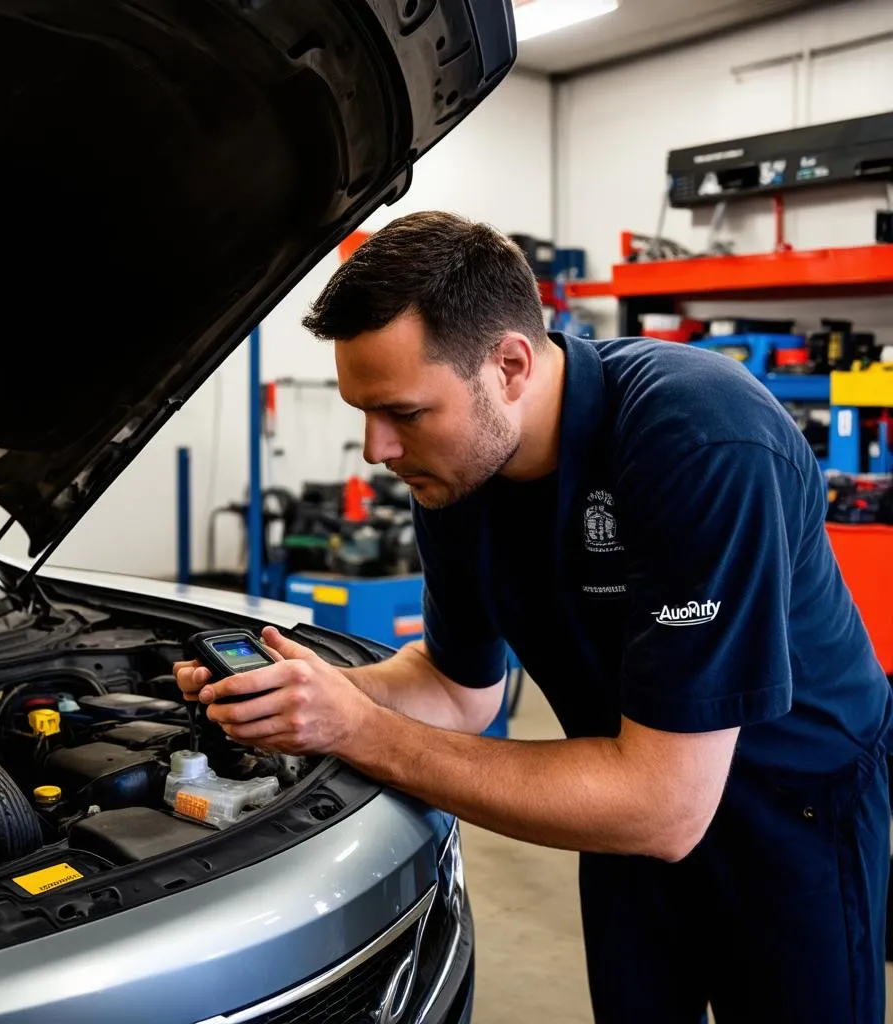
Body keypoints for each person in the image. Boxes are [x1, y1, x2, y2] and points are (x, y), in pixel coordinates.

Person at [173, 211, 893, 1023]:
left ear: (509, 364)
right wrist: (309, 693)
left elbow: (664, 807)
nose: (378, 449)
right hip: (617, 782)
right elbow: (458, 689)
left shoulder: (699, 440)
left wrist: (360, 732)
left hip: (788, 805)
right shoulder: (457, 471)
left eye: (404, 413)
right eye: (363, 413)